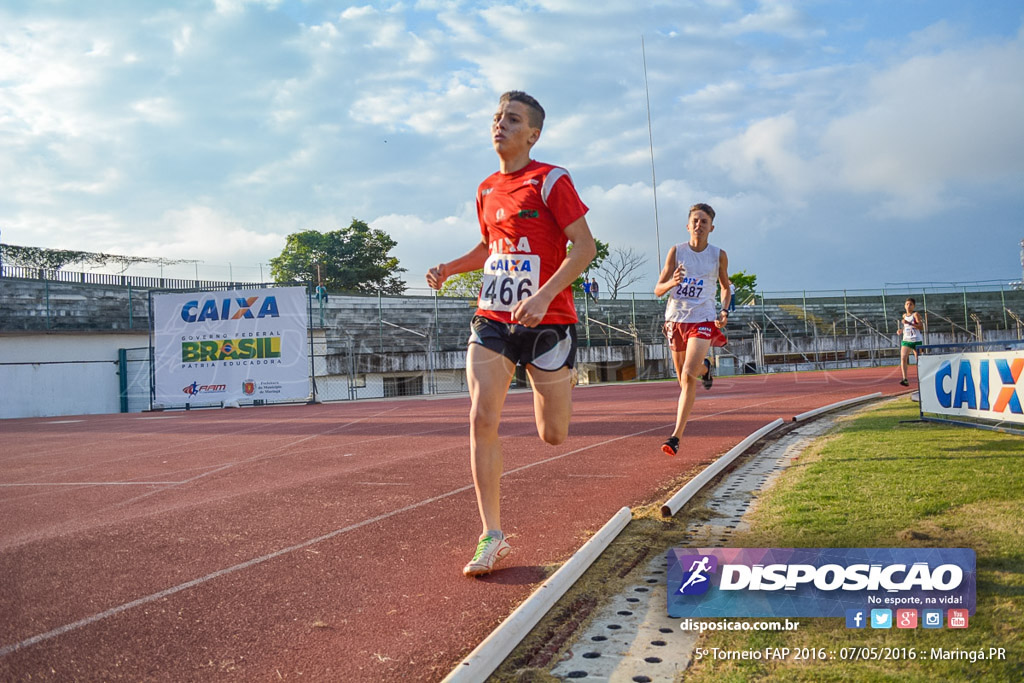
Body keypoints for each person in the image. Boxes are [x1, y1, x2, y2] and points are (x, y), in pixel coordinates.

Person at [426, 91, 597, 577]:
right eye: (497, 117)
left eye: (513, 119)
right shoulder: (484, 189)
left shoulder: (552, 180)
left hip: (549, 321)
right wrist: (450, 267)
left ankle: (559, 382)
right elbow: (488, 247)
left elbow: (584, 247)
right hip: (494, 319)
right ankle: (492, 536)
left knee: (554, 434)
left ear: (533, 134)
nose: (500, 124)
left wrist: (543, 295)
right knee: (482, 417)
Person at [654, 203, 730, 456]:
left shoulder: (718, 255)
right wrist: (671, 282)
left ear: (711, 227)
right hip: (676, 319)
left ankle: (675, 436)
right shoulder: (676, 252)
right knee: (683, 379)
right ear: (688, 226)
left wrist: (724, 310)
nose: (699, 225)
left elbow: (726, 287)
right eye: (695, 221)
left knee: (688, 375)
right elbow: (657, 289)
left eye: (704, 221)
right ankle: (706, 368)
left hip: (703, 318)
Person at [898, 297, 923, 387]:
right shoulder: (904, 316)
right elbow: (906, 327)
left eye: (911, 304)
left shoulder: (915, 315)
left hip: (916, 340)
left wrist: (909, 323)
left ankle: (922, 377)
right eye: (907, 304)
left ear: (914, 306)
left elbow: (921, 327)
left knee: (919, 360)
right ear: (905, 306)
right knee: (903, 358)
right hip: (906, 340)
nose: (909, 306)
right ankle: (905, 379)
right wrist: (901, 330)